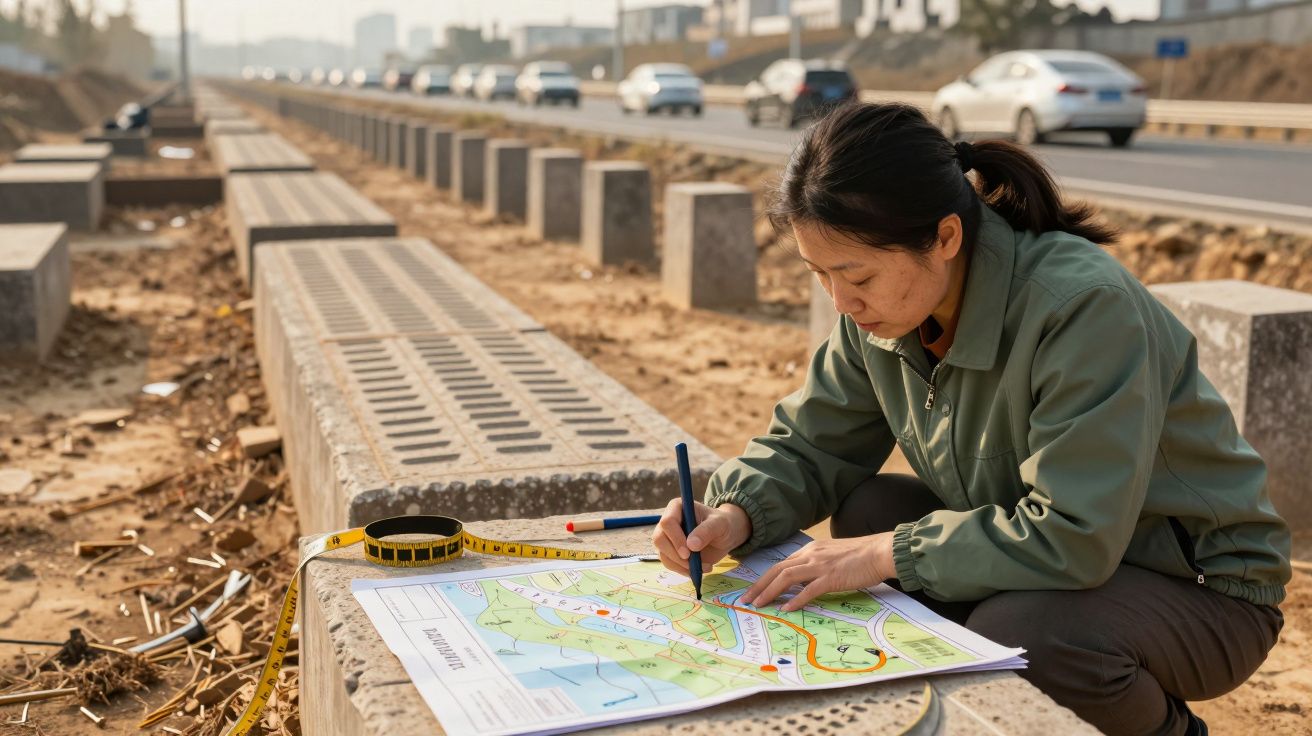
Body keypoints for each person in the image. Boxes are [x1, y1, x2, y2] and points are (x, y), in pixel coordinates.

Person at [652, 102, 1290, 736]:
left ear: (946, 237)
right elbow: (809, 444)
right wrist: (734, 513)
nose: (842, 302)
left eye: (857, 275)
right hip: (1049, 554)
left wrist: (887, 554)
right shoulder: (881, 316)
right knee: (870, 506)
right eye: (818, 274)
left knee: (1023, 636)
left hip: (1201, 588)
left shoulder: (1082, 308)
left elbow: (1076, 532)